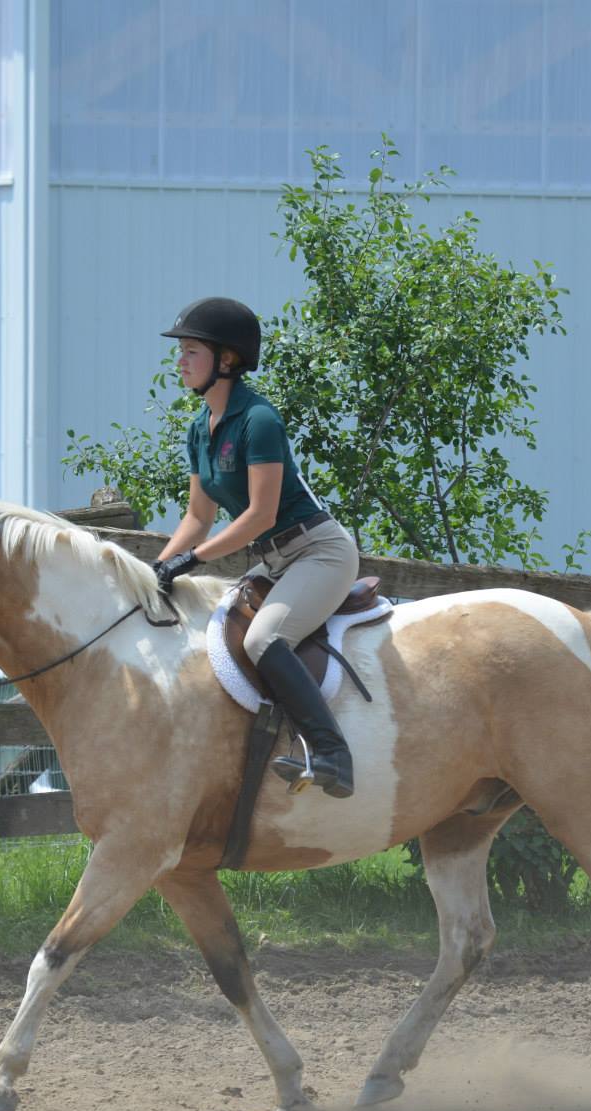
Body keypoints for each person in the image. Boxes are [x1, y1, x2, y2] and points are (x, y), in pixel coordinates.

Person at [151, 297, 361, 799]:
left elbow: (260, 516)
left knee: (263, 640)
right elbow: (197, 517)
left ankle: (333, 754)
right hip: (276, 561)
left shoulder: (258, 419)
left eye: (191, 350)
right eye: (180, 350)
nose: (179, 360)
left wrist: (193, 560)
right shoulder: (200, 429)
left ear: (226, 359)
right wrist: (156, 569)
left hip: (318, 552)